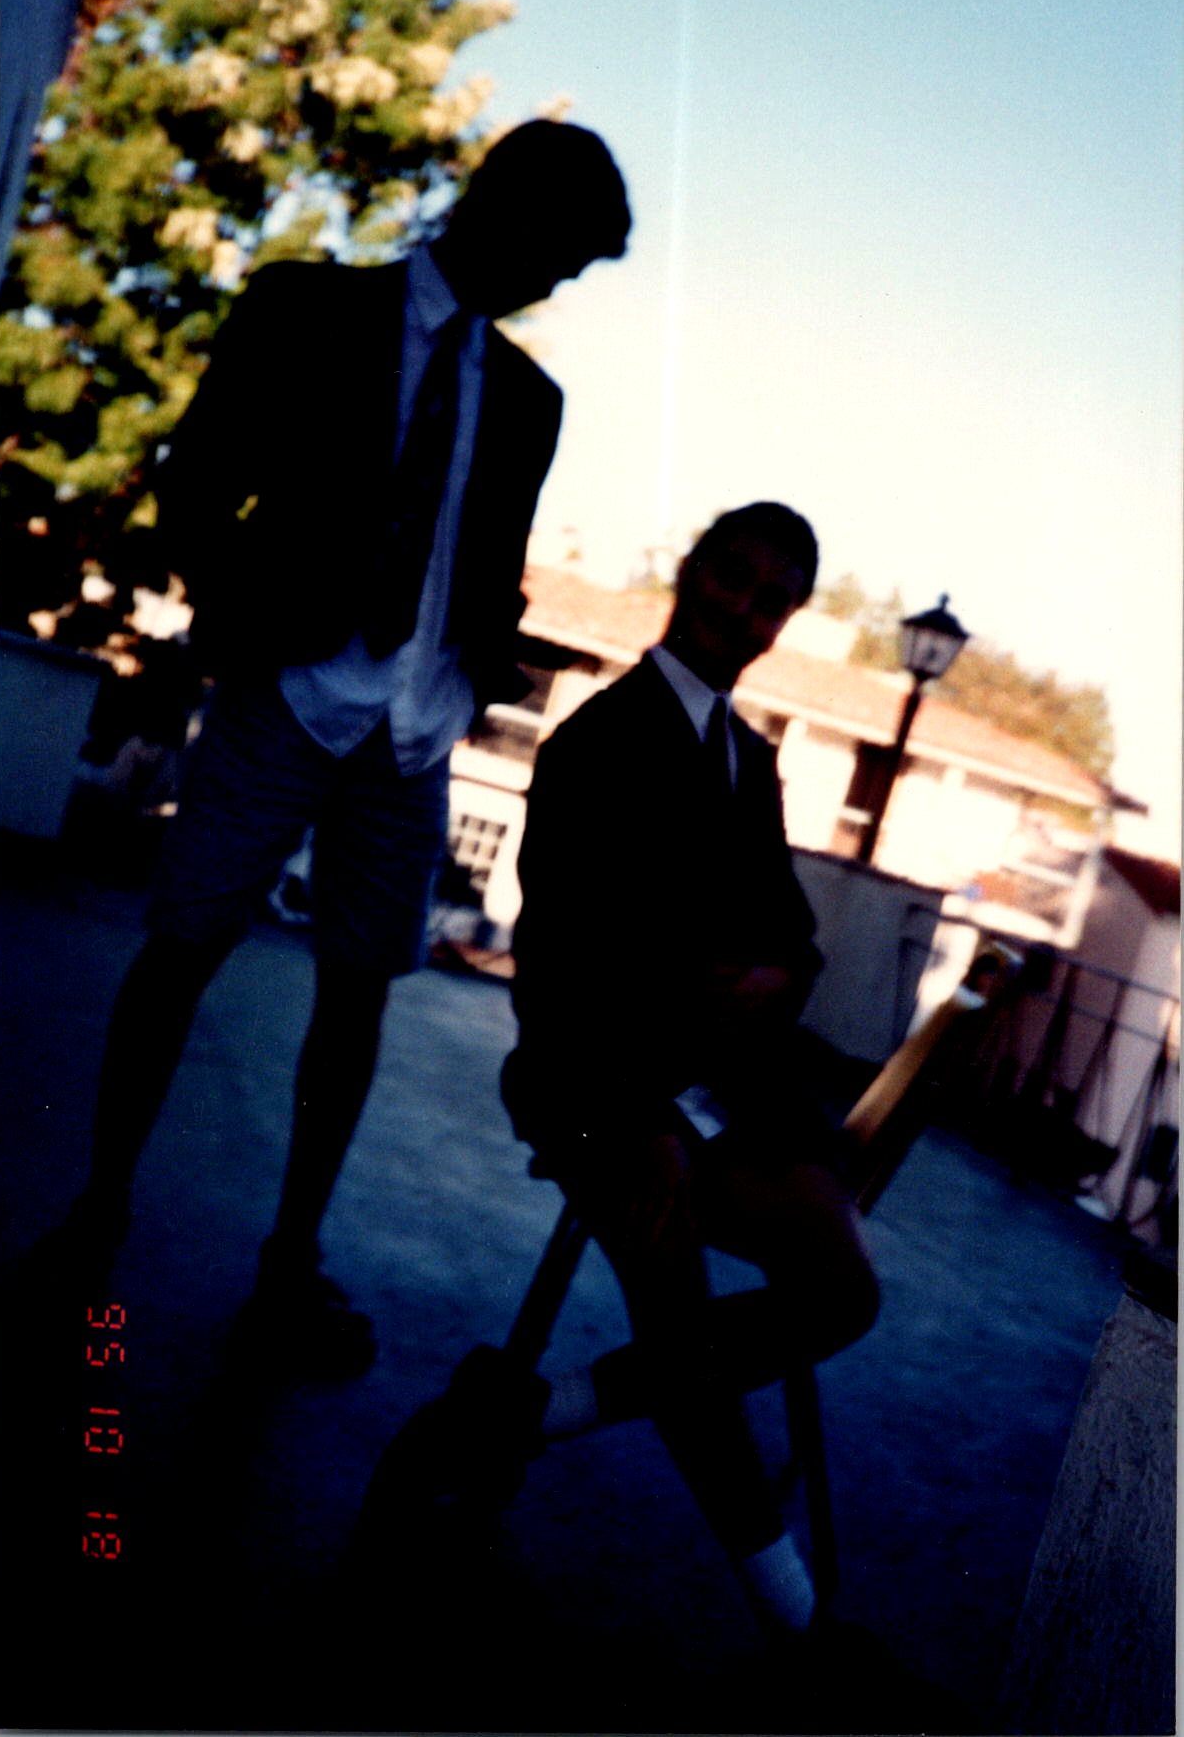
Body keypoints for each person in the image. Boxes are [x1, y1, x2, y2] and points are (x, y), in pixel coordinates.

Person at [69, 120, 632, 1374]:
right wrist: (240, 627)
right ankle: (96, 1213)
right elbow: (196, 481)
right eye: (557, 256)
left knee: (358, 993)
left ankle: (290, 1261)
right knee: (180, 949)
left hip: (412, 734)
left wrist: (476, 664)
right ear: (502, 207)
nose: (551, 286)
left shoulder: (529, 401)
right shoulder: (305, 308)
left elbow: (487, 563)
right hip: (287, 692)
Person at [504, 502, 880, 1640]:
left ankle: (544, 1407)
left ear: (784, 623)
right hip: (594, 1083)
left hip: (714, 1091)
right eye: (730, 575)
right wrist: (644, 1116)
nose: (741, 607)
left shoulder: (748, 759)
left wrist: (778, 975)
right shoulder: (595, 742)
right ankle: (797, 1617)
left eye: (771, 599)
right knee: (679, 1320)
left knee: (842, 1292)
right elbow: (554, 967)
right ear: (687, 568)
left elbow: (793, 935)